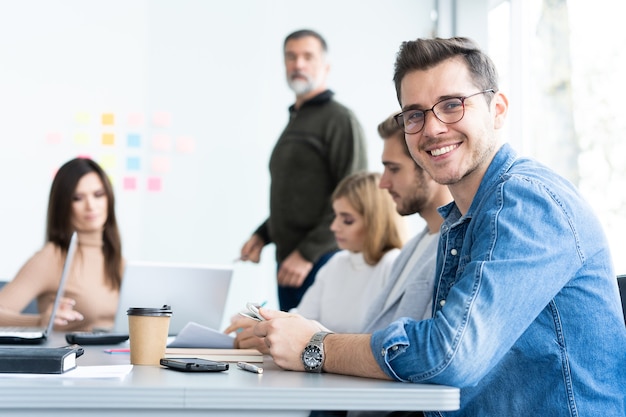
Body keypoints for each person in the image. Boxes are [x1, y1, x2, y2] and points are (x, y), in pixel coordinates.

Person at [253, 37, 626, 416]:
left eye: (452, 105)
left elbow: (450, 354)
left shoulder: (527, 201)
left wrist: (316, 345)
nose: (431, 128)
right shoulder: (461, 221)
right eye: (415, 114)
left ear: (497, 110)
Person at [239, 29, 368, 311]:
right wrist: (263, 234)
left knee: (312, 348)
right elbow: (297, 198)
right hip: (289, 262)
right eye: (291, 56)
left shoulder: (339, 119)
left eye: (308, 56)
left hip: (321, 260)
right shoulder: (296, 119)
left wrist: (307, 254)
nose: (298, 64)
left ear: (326, 66)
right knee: (285, 349)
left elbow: (354, 199)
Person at [0, 157, 124, 331]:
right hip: (77, 357)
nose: (91, 205)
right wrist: (40, 322)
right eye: (77, 198)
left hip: (118, 357)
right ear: (64, 206)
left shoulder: (118, 261)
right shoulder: (53, 257)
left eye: (98, 195)